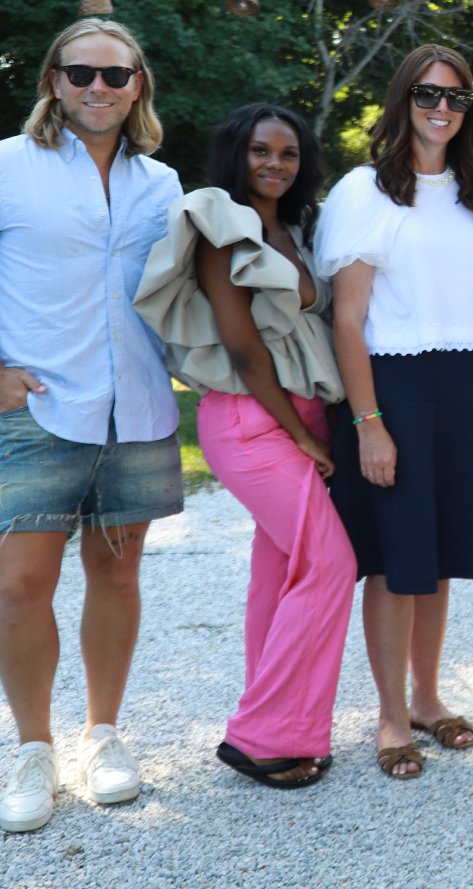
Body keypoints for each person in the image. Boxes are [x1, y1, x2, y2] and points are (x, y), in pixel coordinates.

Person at [0, 19, 183, 832]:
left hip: (138, 409)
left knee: (118, 577)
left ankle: (103, 735)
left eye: (115, 74)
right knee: (20, 586)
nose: (98, 87)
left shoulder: (161, 184)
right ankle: (34, 747)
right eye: (81, 73)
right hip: (40, 410)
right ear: (53, 81)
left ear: (137, 85)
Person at [134, 103, 351, 789]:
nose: (275, 164)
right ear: (237, 153)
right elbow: (244, 348)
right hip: (250, 421)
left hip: (303, 414)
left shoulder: (295, 228)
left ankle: (284, 728)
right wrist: (300, 435)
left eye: (289, 153)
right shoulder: (218, 222)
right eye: (261, 150)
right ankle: (261, 736)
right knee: (330, 564)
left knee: (282, 573)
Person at [317, 44, 473, 779]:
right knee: (396, 562)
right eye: (428, 94)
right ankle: (391, 715)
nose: (442, 108)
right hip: (394, 385)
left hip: (466, 382)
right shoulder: (365, 191)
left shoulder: (472, 191)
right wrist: (369, 423)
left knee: (440, 555)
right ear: (403, 99)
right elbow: (347, 318)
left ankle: (428, 697)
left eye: (457, 97)